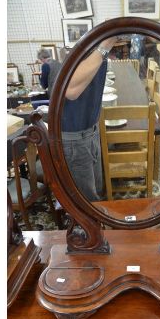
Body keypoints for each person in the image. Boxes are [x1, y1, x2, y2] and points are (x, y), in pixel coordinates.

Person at [36, 37, 117, 201]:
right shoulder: (90, 53)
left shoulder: (97, 54)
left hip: (89, 132)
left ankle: (95, 221)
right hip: (75, 139)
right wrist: (105, 44)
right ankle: (89, 225)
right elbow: (71, 91)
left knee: (96, 190)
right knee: (84, 199)